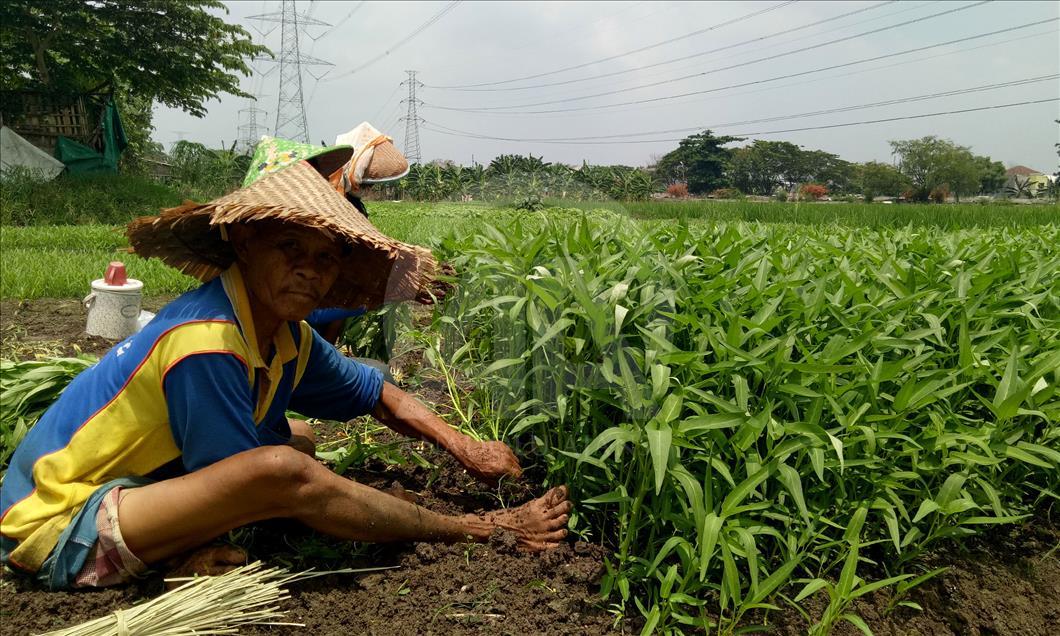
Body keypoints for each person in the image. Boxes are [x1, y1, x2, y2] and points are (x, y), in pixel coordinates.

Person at [0, 152, 570, 591]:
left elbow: (378, 394)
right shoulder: (208, 341)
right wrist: (478, 521)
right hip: (55, 524)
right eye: (290, 247)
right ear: (245, 242)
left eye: (325, 259)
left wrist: (464, 446)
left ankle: (182, 542)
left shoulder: (287, 334)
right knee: (279, 468)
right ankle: (487, 529)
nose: (309, 272)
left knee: (298, 438)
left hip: (124, 488)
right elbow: (251, 479)